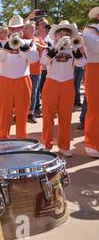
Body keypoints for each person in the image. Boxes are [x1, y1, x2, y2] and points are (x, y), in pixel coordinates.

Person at [41, 20, 86, 157]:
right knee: (48, 116)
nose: (64, 35)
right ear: (56, 35)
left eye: (67, 33)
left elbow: (82, 63)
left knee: (66, 117)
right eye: (61, 33)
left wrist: (74, 49)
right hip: (51, 83)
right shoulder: (49, 47)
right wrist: (56, 48)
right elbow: (43, 62)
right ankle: (46, 144)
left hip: (67, 84)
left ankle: (64, 146)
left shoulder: (74, 48)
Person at [0, 15, 39, 139]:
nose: (15, 31)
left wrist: (25, 48)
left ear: (22, 29)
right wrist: (6, 48)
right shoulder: (0, 43)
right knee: (4, 113)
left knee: (22, 112)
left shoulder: (30, 43)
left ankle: (22, 140)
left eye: (18, 28)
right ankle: (3, 139)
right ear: (9, 29)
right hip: (5, 80)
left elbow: (34, 59)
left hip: (23, 79)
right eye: (13, 29)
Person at [84, 6, 99, 158]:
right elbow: (96, 47)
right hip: (95, 70)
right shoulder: (90, 29)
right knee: (95, 108)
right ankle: (92, 143)